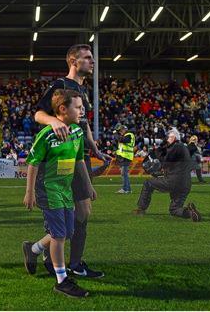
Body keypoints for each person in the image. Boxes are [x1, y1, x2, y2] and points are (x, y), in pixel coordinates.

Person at [34, 44, 104, 278]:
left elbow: (84, 126)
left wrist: (94, 148)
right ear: (73, 62)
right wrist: (53, 122)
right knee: (81, 211)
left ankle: (40, 248)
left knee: (81, 212)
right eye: (87, 58)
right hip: (64, 157)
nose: (92, 62)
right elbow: (38, 114)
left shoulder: (83, 91)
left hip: (80, 155)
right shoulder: (60, 86)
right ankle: (70, 262)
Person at [22, 89, 92, 298]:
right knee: (60, 235)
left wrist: (88, 186)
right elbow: (33, 164)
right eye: (78, 107)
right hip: (48, 190)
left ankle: (33, 250)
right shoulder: (47, 134)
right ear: (63, 109)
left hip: (65, 190)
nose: (82, 111)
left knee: (66, 232)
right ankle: (61, 280)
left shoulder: (78, 132)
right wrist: (30, 192)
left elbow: (79, 160)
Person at [133, 128, 202, 221]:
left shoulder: (176, 147)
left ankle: (141, 209)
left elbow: (165, 161)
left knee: (148, 183)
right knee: (174, 209)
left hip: (173, 181)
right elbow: (190, 148)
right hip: (185, 184)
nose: (166, 140)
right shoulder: (183, 148)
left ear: (173, 138)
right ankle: (190, 213)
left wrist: (158, 150)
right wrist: (193, 143)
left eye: (168, 138)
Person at [114, 124, 134, 194]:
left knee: (124, 173)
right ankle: (128, 189)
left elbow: (122, 140)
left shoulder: (129, 135)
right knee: (124, 173)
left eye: (120, 131)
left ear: (124, 130)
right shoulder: (126, 135)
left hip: (127, 157)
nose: (120, 132)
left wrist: (115, 133)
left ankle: (125, 189)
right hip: (124, 157)